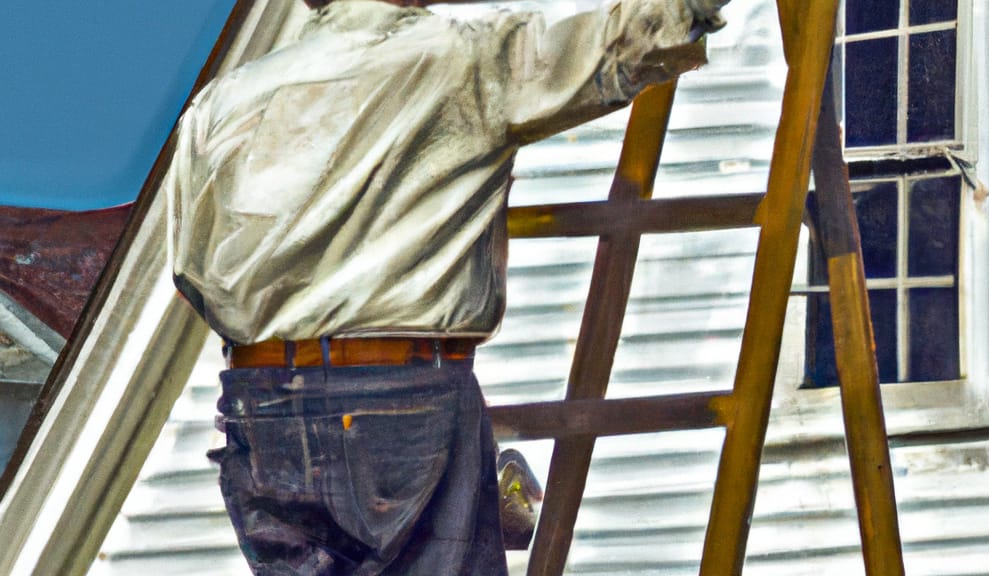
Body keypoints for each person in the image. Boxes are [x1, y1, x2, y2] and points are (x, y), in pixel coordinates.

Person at [167, 0, 727, 573]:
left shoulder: (221, 103)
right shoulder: (464, 58)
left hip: (259, 405)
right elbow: (630, 41)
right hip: (399, 398)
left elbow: (191, 270)